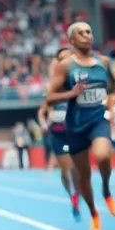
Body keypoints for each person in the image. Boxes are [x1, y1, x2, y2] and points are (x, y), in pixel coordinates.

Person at [45, 22, 115, 230]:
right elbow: (50, 97)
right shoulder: (66, 66)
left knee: (103, 155)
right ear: (72, 40)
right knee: (83, 176)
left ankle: (106, 189)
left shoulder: (103, 62)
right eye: (82, 32)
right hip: (76, 126)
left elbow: (111, 88)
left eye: (89, 31)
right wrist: (71, 93)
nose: (87, 35)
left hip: (98, 120)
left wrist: (110, 75)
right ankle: (94, 214)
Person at [38, 47, 79, 219]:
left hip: (75, 130)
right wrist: (43, 123)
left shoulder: (79, 81)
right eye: (61, 59)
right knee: (66, 169)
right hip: (58, 131)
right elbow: (42, 111)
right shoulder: (53, 86)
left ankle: (77, 195)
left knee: (76, 168)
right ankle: (72, 196)